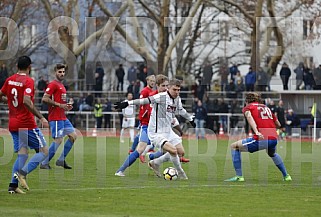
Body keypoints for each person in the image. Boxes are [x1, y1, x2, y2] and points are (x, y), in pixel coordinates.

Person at [115, 79, 195, 179]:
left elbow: (181, 110)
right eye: (175, 89)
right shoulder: (160, 97)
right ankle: (181, 173)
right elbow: (144, 101)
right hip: (156, 132)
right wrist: (127, 103)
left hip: (168, 131)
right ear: (168, 88)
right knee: (172, 151)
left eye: (179, 90)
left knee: (181, 152)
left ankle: (155, 162)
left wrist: (190, 118)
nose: (177, 92)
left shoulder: (177, 98)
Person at [0, 56, 49, 193]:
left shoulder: (9, 80)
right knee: (44, 151)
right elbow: (27, 101)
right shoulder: (28, 81)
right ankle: (22, 173)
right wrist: (41, 117)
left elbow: (1, 95)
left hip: (13, 123)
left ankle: (12, 186)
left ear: (17, 66)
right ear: (29, 67)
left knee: (22, 154)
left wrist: (8, 101)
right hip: (26, 123)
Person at [225, 92, 292, 182]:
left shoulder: (248, 107)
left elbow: (249, 117)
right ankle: (286, 176)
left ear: (247, 101)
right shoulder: (266, 107)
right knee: (272, 153)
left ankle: (239, 176)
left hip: (262, 138)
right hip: (274, 138)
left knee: (234, 147)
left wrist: (256, 131)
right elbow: (278, 124)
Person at [114, 75, 155, 176]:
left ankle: (149, 156)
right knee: (143, 145)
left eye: (154, 81)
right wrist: (144, 115)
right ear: (147, 81)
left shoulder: (157, 93)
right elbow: (142, 104)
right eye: (151, 81)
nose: (153, 83)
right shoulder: (145, 91)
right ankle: (146, 155)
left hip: (154, 124)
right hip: (147, 122)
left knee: (149, 143)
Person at [40, 63, 77, 170]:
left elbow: (61, 102)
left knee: (73, 136)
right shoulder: (53, 84)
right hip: (55, 117)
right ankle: (44, 163)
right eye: (59, 72)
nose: (62, 74)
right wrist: (60, 105)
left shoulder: (61, 85)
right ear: (55, 72)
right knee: (58, 140)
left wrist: (66, 106)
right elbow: (44, 99)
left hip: (62, 117)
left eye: (63, 72)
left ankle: (61, 160)